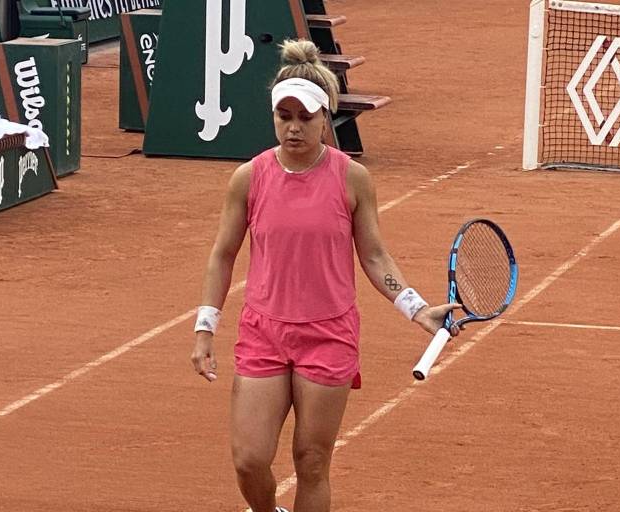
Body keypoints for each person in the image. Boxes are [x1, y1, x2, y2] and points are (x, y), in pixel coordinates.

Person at [190, 39, 461, 512]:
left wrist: (418, 310)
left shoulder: (351, 178)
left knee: (312, 461)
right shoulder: (249, 178)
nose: (293, 127)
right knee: (249, 460)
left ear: (326, 116)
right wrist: (205, 326)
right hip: (264, 332)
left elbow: (374, 256)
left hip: (328, 335)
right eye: (285, 115)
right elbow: (222, 254)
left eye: (306, 117)